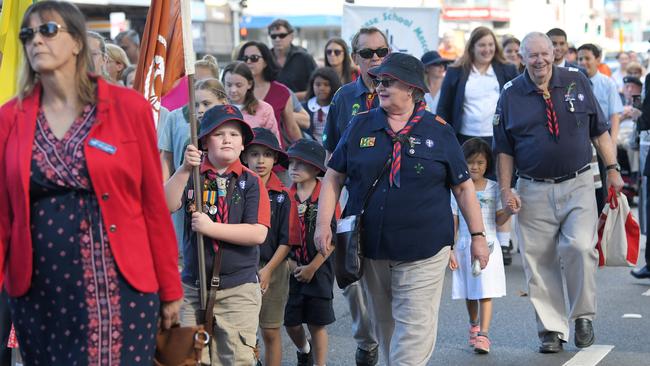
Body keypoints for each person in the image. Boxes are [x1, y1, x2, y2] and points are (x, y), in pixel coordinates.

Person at [0, 2, 183, 364]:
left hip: (122, 287)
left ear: (78, 42)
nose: (36, 40)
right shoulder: (10, 117)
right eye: (27, 34)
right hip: (41, 292)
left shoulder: (127, 107)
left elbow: (152, 206)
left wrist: (170, 287)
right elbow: (3, 217)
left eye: (48, 30)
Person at [315, 52, 490, 365]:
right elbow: (333, 176)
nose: (380, 86)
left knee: (413, 329)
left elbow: (463, 187)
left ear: (412, 89)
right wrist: (322, 224)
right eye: (379, 80)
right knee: (385, 325)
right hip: (371, 247)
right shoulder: (360, 126)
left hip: (424, 248)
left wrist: (477, 235)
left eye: (389, 81)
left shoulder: (439, 130)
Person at [493, 32, 623, 354]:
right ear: (521, 58)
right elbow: (504, 150)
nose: (539, 61)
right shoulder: (510, 94)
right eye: (531, 55)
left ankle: (582, 316)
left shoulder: (577, 81)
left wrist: (613, 169)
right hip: (532, 188)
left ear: (554, 53)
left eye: (544, 53)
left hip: (578, 183)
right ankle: (551, 329)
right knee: (539, 263)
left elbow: (600, 131)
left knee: (580, 248)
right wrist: (507, 189)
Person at [164, 105, 270, 365]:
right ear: (203, 141)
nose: (227, 139)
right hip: (193, 286)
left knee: (234, 357)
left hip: (237, 289)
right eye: (218, 133)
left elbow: (257, 233)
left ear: (243, 144)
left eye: (234, 134)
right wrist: (184, 170)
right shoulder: (193, 176)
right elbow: (165, 204)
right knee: (189, 358)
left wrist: (211, 228)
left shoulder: (251, 182)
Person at [321, 26, 390, 366]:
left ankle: (391, 341)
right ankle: (366, 339)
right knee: (350, 277)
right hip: (354, 200)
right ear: (355, 59)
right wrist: (325, 215)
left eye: (381, 51)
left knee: (387, 276)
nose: (376, 59)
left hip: (394, 200)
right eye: (368, 53)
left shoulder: (406, 91)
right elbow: (330, 156)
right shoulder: (344, 97)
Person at [242, 128, 299, 366]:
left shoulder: (283, 196)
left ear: (275, 158)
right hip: (241, 265)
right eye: (254, 154)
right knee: (243, 333)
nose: (260, 160)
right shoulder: (237, 189)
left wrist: (268, 271)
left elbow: (287, 240)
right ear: (244, 156)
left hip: (273, 268)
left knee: (270, 330)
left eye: (267, 154)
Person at [449, 138, 509, 355]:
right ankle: (473, 323)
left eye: (480, 163)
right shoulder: (457, 189)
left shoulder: (494, 188)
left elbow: (499, 219)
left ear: (487, 165)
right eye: (470, 162)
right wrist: (451, 249)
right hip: (465, 246)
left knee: (486, 291)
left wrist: (510, 211)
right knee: (470, 292)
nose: (475, 167)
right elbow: (453, 220)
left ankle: (483, 334)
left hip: (489, 245)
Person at [285, 139, 337, 366]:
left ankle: (320, 363)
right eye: (291, 163)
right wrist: (289, 264)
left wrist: (312, 267)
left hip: (320, 267)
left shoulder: (326, 196)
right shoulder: (285, 197)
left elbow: (334, 238)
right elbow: (279, 235)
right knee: (291, 322)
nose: (294, 168)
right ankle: (304, 350)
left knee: (317, 323)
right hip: (291, 268)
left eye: (301, 164)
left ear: (316, 169)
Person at [159, 78, 228, 249]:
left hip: (218, 196)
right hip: (182, 193)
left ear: (223, 102)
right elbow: (167, 158)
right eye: (196, 104)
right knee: (183, 248)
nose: (200, 110)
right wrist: (163, 189)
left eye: (206, 103)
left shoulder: (231, 128)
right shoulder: (176, 118)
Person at [437, 26, 518, 143]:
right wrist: (444, 136)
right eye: (482, 45)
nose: (487, 49)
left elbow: (516, 104)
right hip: (463, 138)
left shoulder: (508, 70)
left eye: (491, 45)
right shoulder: (455, 71)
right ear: (472, 48)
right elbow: (443, 108)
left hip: (498, 138)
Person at [578, 43, 624, 212]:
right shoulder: (574, 83)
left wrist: (612, 143)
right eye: (580, 58)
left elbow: (614, 115)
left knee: (602, 188)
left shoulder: (607, 83)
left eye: (587, 58)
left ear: (597, 60)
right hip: (583, 142)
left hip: (601, 139)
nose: (583, 62)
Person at [238, 41, 302, 148]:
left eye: (254, 58)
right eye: (244, 59)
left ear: (266, 62)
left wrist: (304, 151)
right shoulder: (233, 90)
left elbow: (291, 128)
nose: (248, 61)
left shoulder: (282, 92)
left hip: (272, 154)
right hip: (239, 154)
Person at [222, 61, 281, 142]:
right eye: (228, 85)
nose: (233, 90)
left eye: (238, 85)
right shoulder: (218, 109)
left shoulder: (264, 109)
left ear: (249, 84)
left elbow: (275, 143)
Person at [268, 19, 317, 100]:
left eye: (282, 35)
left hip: (300, 107)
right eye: (273, 36)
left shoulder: (304, 57)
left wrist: (289, 97)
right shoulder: (265, 59)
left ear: (291, 37)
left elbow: (317, 87)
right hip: (272, 108)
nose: (277, 39)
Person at [302, 67, 340, 144]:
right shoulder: (304, 107)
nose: (322, 88)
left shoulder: (339, 108)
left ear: (333, 86)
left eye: (326, 84)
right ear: (312, 85)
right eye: (318, 84)